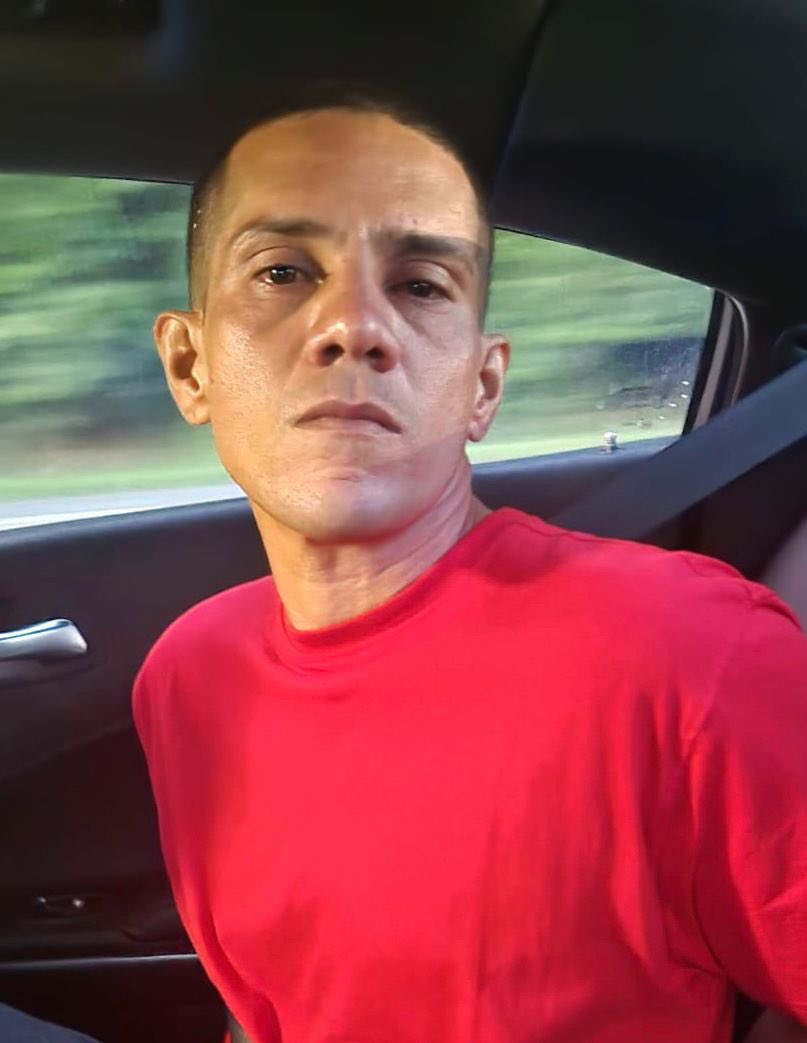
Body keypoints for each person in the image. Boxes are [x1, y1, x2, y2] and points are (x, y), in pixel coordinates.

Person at [133, 93, 807, 1043]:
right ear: (189, 364)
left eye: (419, 286)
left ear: (482, 385)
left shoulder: (692, 656)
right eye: (283, 271)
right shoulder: (186, 674)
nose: (352, 325)